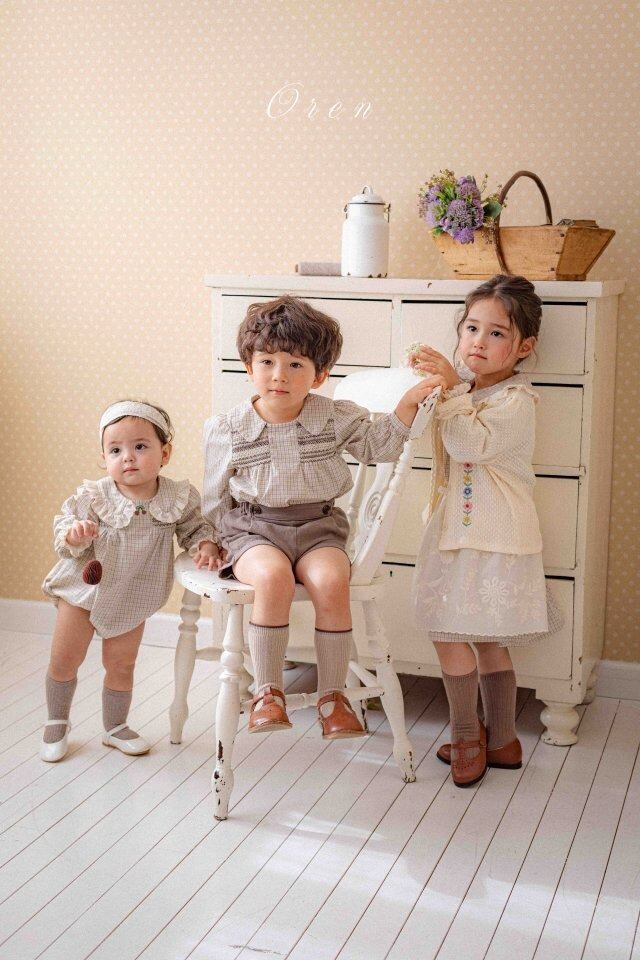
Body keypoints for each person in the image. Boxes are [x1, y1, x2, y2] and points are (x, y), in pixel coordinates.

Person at [202, 295, 433, 738]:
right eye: (267, 362)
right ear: (249, 367)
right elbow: (215, 494)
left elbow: (378, 446)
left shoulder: (333, 417)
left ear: (319, 375)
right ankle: (268, 693)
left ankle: (333, 696)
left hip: (318, 528)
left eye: (295, 364)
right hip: (254, 528)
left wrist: (406, 407)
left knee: (331, 581)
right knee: (273, 579)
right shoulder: (228, 428)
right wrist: (211, 538)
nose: (279, 375)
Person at [409, 274, 563, 787]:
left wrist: (452, 391)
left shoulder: (516, 400)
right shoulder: (464, 389)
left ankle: (467, 736)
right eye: (472, 327)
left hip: (491, 537)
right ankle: (502, 740)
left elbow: (467, 445)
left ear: (524, 347)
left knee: (458, 634)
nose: (478, 340)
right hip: (462, 531)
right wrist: (437, 385)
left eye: (496, 333)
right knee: (477, 637)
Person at [41, 400, 217, 762]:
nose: (128, 458)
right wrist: (75, 535)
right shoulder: (94, 496)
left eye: (140, 446)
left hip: (133, 593)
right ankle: (57, 720)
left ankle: (115, 726)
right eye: (116, 450)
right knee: (64, 659)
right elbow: (64, 527)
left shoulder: (176, 498)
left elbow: (195, 529)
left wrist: (205, 545)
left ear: (164, 453)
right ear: (104, 457)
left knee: (121, 664)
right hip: (83, 589)